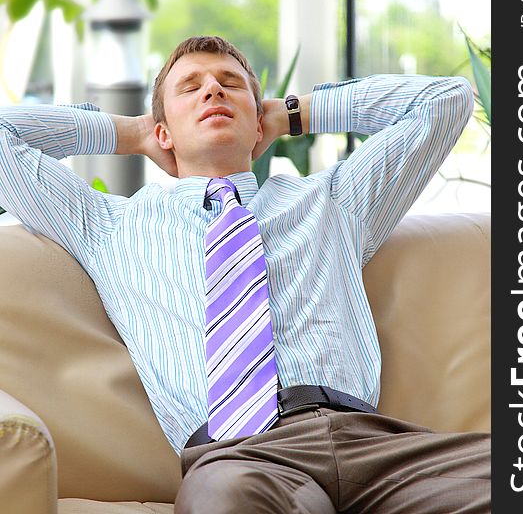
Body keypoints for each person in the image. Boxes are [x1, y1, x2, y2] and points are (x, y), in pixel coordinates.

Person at [0, 35, 490, 513]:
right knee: (223, 502)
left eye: (230, 84)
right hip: (240, 456)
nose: (212, 90)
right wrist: (132, 133)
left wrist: (292, 113)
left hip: (371, 444)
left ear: (260, 126)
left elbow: (443, 101)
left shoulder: (332, 201)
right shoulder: (109, 227)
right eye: (190, 87)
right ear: (164, 130)